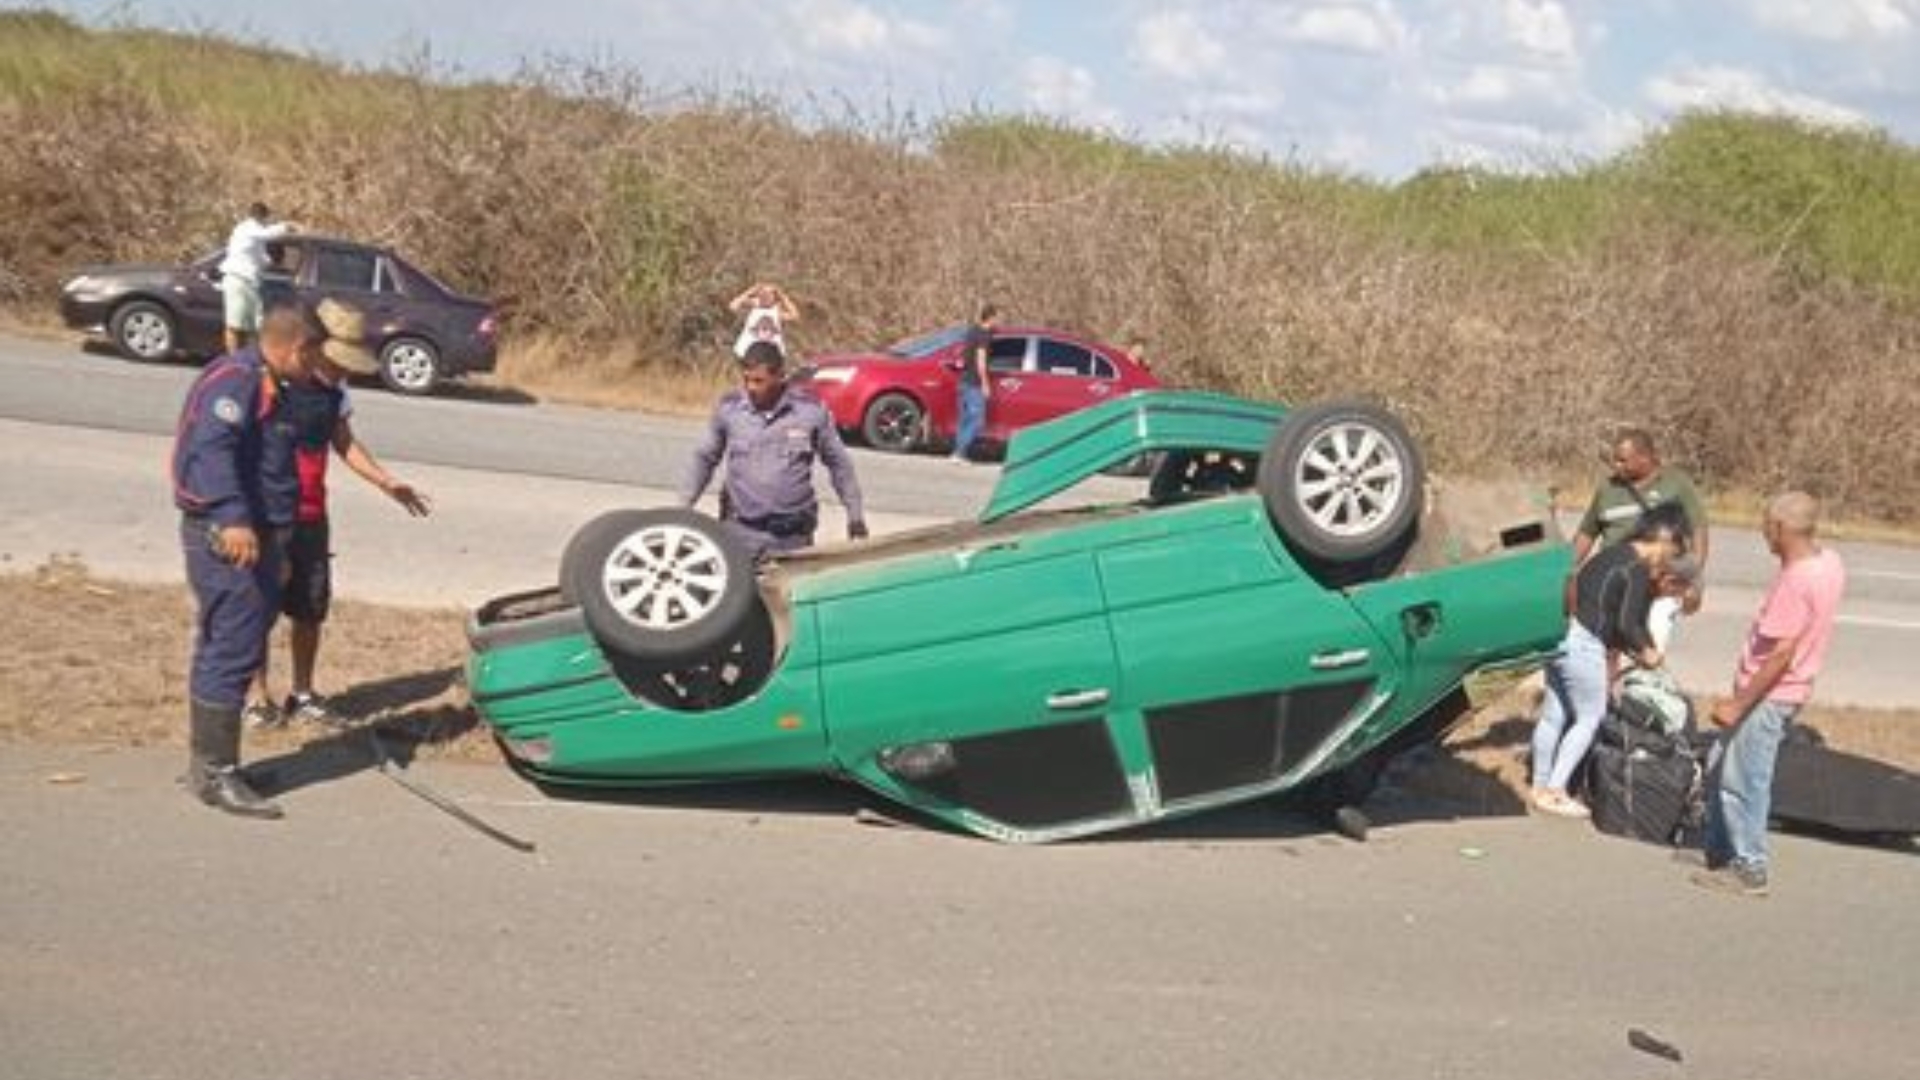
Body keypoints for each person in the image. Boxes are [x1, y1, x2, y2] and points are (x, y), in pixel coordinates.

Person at [243, 300, 432, 730]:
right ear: (312, 348)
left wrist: (386, 482)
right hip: (270, 515)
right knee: (260, 608)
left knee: (310, 609)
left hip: (312, 514)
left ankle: (303, 692)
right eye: (339, 360)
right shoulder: (269, 383)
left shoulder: (336, 393)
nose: (346, 370)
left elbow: (343, 442)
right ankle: (256, 697)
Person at [171, 305, 312, 819]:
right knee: (230, 647)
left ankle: (215, 762)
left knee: (234, 642)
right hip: (229, 539)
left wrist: (279, 543)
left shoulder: (268, 382)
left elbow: (269, 467)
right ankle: (215, 775)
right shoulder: (236, 382)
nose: (316, 365)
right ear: (295, 347)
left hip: (260, 538)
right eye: (312, 354)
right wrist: (233, 518)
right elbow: (212, 449)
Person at [1691, 492, 1846, 898]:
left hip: (1768, 695)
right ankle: (1720, 850)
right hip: (1784, 690)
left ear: (1780, 528)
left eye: (1765, 525)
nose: (1762, 533)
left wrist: (1739, 703)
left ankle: (1749, 867)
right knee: (1721, 762)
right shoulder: (1828, 562)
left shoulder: (1796, 582)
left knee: (1744, 780)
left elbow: (1781, 655)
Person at [1530, 511, 1686, 818]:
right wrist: (1648, 651)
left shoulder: (1610, 555)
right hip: (1585, 643)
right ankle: (1556, 791)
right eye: (1674, 551)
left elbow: (1605, 608)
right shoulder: (1637, 568)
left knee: (1554, 715)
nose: (1671, 560)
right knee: (1590, 716)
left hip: (1561, 634)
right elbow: (1628, 622)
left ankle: (1539, 785)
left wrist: (1633, 646)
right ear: (1663, 540)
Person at [680, 340, 867, 561]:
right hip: (740, 533)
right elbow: (704, 457)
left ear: (779, 376)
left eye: (759, 381)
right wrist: (684, 506)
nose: (751, 387)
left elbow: (839, 464)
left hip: (792, 538)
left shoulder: (810, 412)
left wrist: (855, 516)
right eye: (746, 379)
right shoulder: (730, 409)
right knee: (739, 594)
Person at [1573, 427, 1710, 610]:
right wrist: (1564, 572)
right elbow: (1586, 534)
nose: (1615, 465)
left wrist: (1692, 581)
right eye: (1615, 459)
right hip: (1611, 582)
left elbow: (1698, 530)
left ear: (1645, 457)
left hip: (1658, 586)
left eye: (1622, 460)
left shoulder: (1676, 484)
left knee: (1642, 635)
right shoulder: (1607, 489)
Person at [217, 202, 299, 356]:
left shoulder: (255, 237)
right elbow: (266, 234)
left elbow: (261, 259)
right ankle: (233, 360)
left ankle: (248, 358)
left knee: (254, 326)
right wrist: (286, 226)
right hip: (238, 280)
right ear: (262, 217)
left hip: (251, 283)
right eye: (266, 219)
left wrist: (274, 260)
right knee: (234, 324)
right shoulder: (247, 228)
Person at [951, 302, 996, 463]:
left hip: (963, 380)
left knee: (965, 419)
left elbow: (962, 355)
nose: (998, 321)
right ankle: (960, 453)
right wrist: (985, 384)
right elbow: (981, 361)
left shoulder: (972, 331)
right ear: (991, 317)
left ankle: (957, 452)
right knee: (978, 421)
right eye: (997, 318)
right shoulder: (984, 336)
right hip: (974, 383)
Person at [729, 282, 799, 359]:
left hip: (770, 353)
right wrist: (749, 291)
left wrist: (783, 297)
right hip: (748, 350)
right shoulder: (752, 308)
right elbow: (733, 306)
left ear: (774, 297)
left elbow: (794, 315)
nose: (766, 296)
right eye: (763, 293)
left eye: (769, 294)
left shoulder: (776, 311)